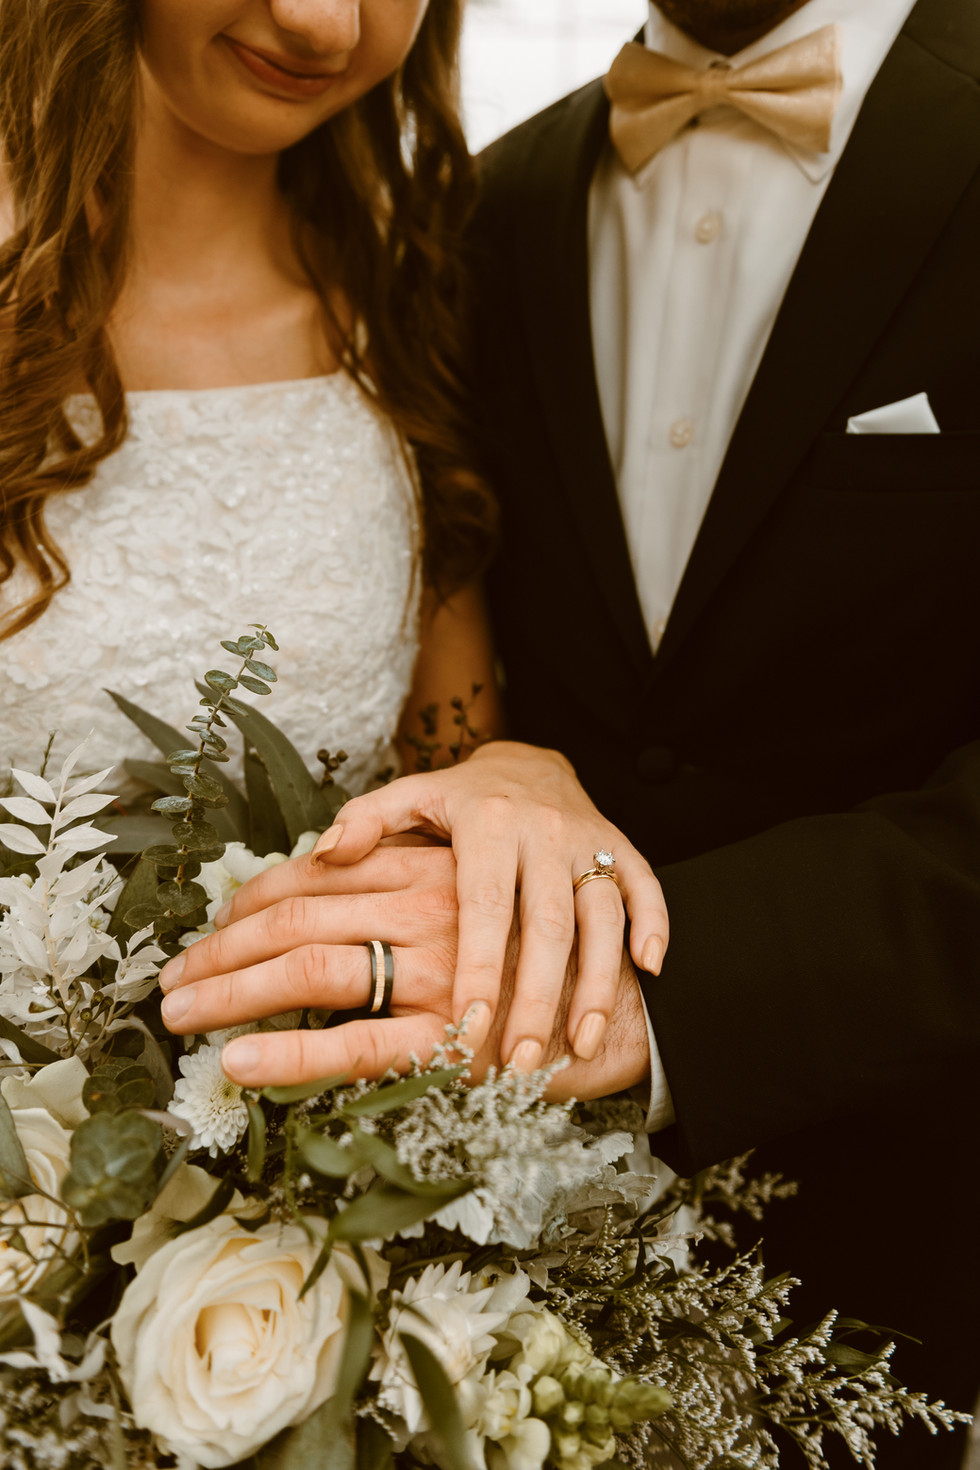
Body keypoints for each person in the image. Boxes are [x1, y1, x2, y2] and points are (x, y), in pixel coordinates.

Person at [168, 0, 980, 1465]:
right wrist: (507, 761)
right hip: (433, 1283)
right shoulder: (486, 213)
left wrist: (670, 998)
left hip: (917, 1262)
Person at [0, 0, 669, 1060]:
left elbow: (443, 746)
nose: (322, 24)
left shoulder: (412, 310)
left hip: (316, 1152)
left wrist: (510, 775)